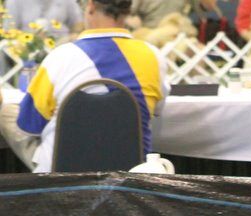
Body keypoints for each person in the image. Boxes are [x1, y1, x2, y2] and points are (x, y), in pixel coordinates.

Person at [0, 0, 170, 173]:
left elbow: (28, 125)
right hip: (133, 171)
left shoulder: (60, 57)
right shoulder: (154, 56)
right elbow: (157, 110)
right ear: (128, 11)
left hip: (61, 173)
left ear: (90, 6)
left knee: (6, 112)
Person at [4, 0, 84, 40]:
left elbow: (78, 23)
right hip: (28, 54)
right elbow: (9, 33)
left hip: (61, 51)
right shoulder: (14, 1)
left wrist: (73, 36)